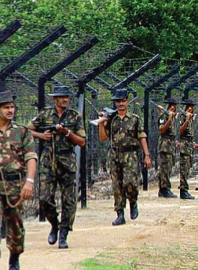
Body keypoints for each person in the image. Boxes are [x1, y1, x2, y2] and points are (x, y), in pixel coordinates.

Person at [28, 85, 85, 249]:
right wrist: (41, 135)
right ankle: (54, 223)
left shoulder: (75, 116)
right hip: (49, 160)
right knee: (44, 197)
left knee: (69, 200)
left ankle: (64, 233)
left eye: (66, 97)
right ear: (55, 99)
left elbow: (82, 141)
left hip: (67, 160)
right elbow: (25, 130)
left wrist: (67, 133)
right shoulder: (45, 114)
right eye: (61, 97)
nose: (65, 100)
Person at [0, 91, 37, 270]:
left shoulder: (22, 131)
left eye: (12, 107)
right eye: (6, 107)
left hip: (15, 184)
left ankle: (14, 257)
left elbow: (31, 157)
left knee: (15, 224)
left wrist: (29, 181)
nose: (10, 110)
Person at [98, 88, 151, 225]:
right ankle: (120, 214)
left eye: (123, 101)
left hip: (130, 154)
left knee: (130, 182)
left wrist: (147, 155)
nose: (120, 104)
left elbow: (141, 136)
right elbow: (103, 138)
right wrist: (101, 123)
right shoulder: (111, 119)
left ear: (127, 101)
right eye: (118, 101)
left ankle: (133, 201)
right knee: (117, 185)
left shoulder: (134, 119)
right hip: (115, 154)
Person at [157, 98, 178, 198]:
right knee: (165, 167)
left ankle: (163, 189)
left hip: (170, 146)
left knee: (168, 167)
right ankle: (164, 189)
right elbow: (162, 130)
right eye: (172, 105)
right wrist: (169, 119)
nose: (174, 107)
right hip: (165, 146)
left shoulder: (172, 117)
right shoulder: (164, 116)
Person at [179, 99, 196, 200]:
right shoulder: (182, 117)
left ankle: (184, 189)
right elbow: (180, 131)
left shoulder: (190, 118)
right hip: (183, 148)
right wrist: (187, 120)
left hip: (188, 148)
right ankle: (183, 190)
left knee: (187, 168)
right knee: (183, 169)